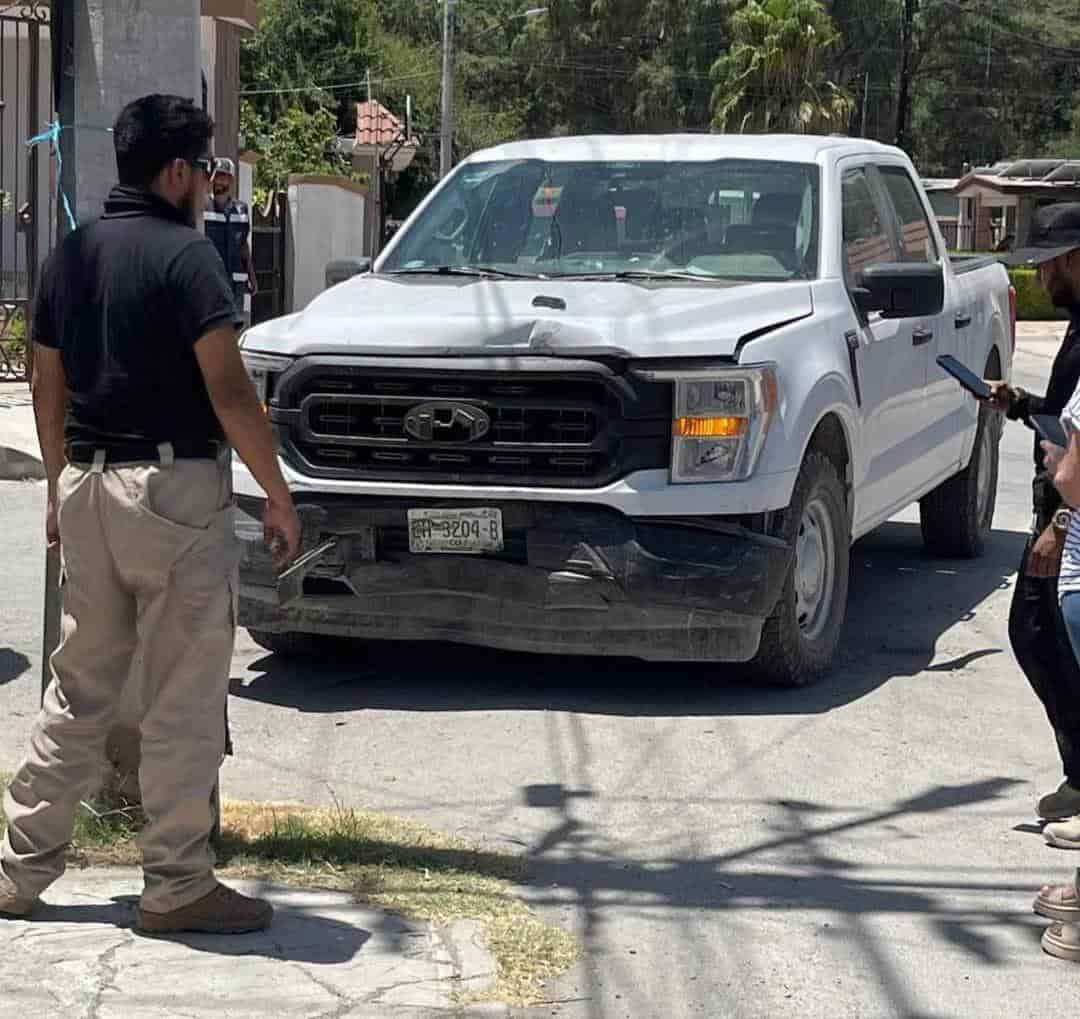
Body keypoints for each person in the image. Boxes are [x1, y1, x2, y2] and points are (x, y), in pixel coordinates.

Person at [0, 94, 301, 934]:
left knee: (78, 690)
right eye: (204, 168)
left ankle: (18, 872)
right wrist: (276, 492)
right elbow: (231, 389)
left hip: (88, 488)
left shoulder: (72, 255)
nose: (208, 183)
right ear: (177, 171)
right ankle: (177, 883)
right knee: (183, 698)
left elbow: (43, 377)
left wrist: (59, 485)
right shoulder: (188, 260)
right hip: (171, 495)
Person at [985, 203, 1080, 826]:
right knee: (1038, 638)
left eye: (1047, 268)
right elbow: (1064, 415)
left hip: (1070, 519)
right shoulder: (1077, 325)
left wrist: (1060, 526)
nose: (1041, 282)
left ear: (1073, 259)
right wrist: (1020, 403)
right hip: (1062, 511)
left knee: (1054, 641)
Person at [203, 157, 256, 329]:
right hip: (211, 279)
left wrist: (251, 275)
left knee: (235, 328)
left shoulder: (242, 209)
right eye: (217, 176)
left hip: (236, 283)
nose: (219, 180)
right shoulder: (203, 206)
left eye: (224, 176)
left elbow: (243, 245)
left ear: (231, 180)